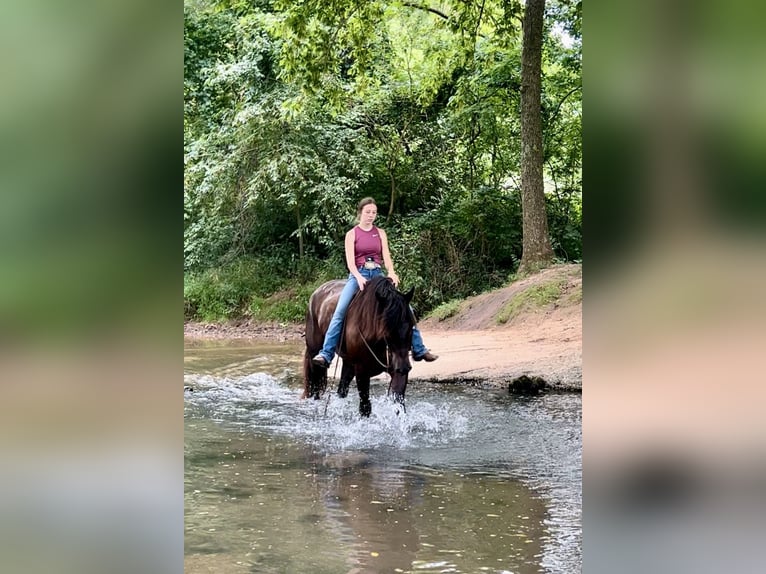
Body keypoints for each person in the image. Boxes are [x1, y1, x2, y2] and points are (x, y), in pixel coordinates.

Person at [312, 197, 438, 367]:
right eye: (367, 212)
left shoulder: (380, 233)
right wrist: (358, 276)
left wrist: (392, 272)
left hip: (378, 275)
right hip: (359, 275)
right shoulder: (352, 234)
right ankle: (326, 354)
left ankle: (419, 348)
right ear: (360, 213)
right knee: (340, 311)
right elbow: (350, 262)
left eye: (374, 212)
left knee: (406, 308)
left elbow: (386, 256)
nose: (371, 215)